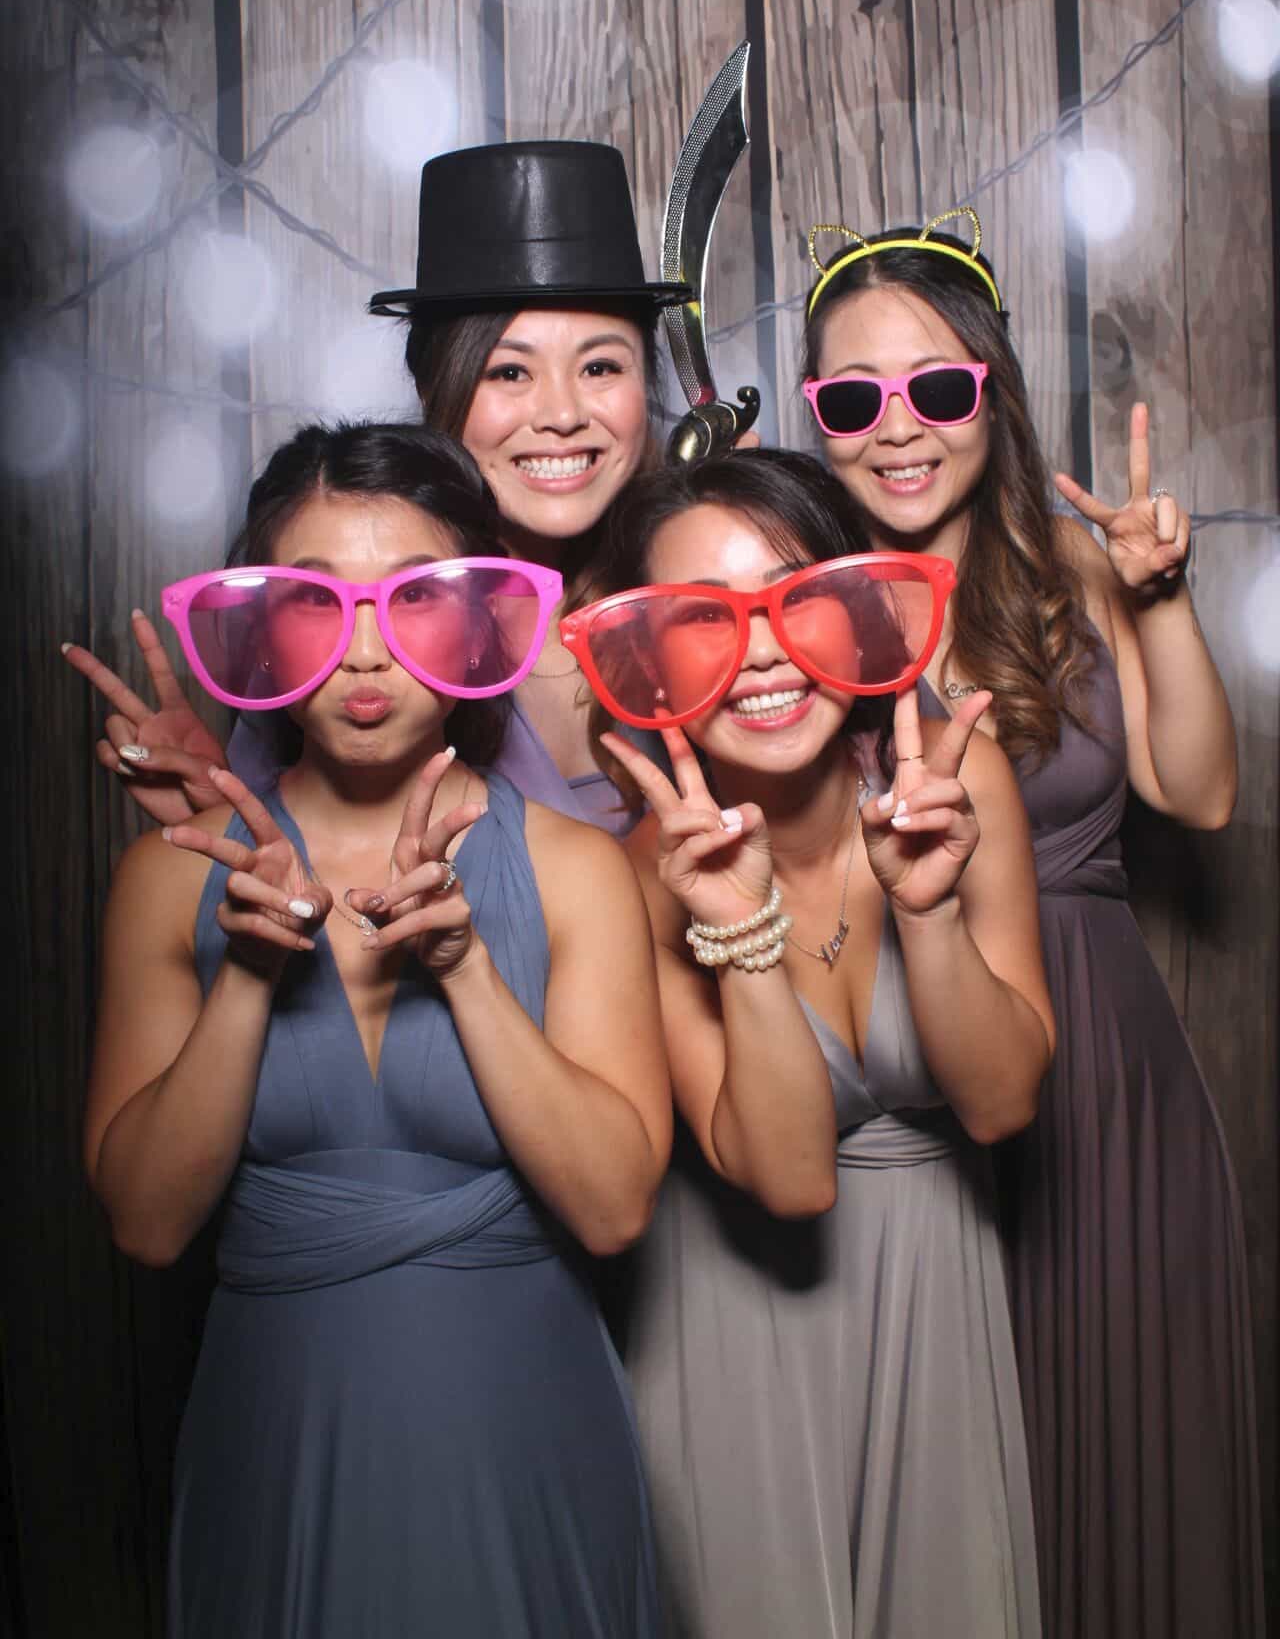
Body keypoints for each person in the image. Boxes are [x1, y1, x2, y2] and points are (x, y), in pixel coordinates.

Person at [83, 421, 672, 1637]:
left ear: (478, 621)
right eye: (316, 603)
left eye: (413, 600)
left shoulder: (574, 871)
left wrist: (464, 969)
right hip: (277, 1442)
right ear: (259, 627)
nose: (364, 651)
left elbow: (615, 1209)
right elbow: (145, 1224)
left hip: (524, 1435)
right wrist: (248, 976)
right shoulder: (166, 878)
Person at [799, 210, 1263, 1639]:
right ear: (815, 420)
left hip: (1100, 1087)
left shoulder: (1074, 567)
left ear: (989, 394)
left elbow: (1197, 793)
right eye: (854, 400)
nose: (898, 429)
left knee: (1113, 1477)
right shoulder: (793, 609)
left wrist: (1158, 596)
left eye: (936, 387)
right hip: (903, 1076)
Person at [562, 447, 1054, 1637]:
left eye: (796, 600)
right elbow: (788, 1178)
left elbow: (1000, 1106)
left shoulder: (956, 780)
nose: (764, 654)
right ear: (643, 659)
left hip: (936, 1305)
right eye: (702, 621)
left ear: (856, 612)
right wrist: (737, 932)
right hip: (734, 1335)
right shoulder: (636, 875)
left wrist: (926, 912)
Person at [65, 140, 692, 836]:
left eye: (601, 367)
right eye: (508, 372)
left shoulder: (703, 597)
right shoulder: (342, 621)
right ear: (431, 386)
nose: (563, 414)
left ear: (647, 382)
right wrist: (231, 816)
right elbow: (311, 876)